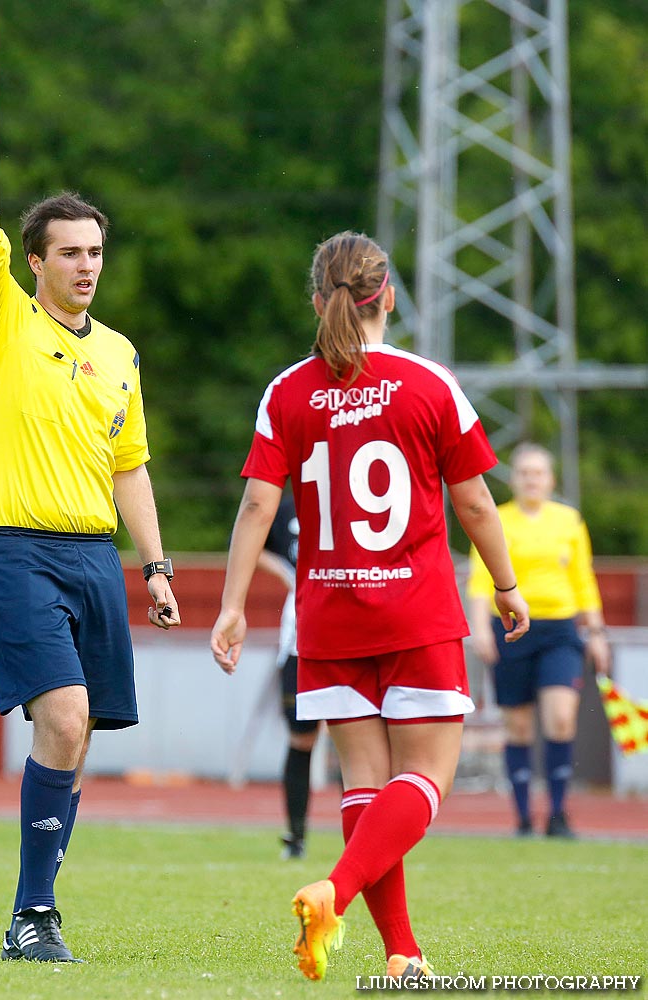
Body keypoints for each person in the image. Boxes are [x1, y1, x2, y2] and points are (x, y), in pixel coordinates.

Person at [210, 231, 529, 983]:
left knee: (363, 785)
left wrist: (231, 606)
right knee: (423, 782)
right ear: (387, 297)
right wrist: (507, 586)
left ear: (318, 303)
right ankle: (335, 893)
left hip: (327, 615)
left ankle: (402, 953)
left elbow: (258, 502)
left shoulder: (286, 390)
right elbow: (477, 503)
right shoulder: (427, 383)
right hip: (413, 612)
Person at [0, 56, 180, 963]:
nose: (85, 266)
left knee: (78, 732)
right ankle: (31, 914)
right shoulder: (5, 320)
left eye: (95, 252)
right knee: (64, 714)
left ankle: (34, 912)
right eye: (69, 253)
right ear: (36, 261)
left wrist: (156, 567)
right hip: (11, 547)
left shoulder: (121, 354)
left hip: (94, 558)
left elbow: (131, 470)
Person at [467, 442, 611, 839]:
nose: (532, 479)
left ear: (550, 479)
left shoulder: (568, 521)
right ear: (514, 479)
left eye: (539, 472)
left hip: (561, 629)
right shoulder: (499, 519)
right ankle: (524, 818)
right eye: (524, 472)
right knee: (518, 725)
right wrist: (480, 627)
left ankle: (559, 813)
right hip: (512, 627)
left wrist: (596, 633)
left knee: (561, 717)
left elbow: (584, 580)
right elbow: (480, 579)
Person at [256, 493, 322, 860]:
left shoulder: (351, 489)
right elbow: (254, 541)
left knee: (357, 738)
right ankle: (295, 836)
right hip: (299, 639)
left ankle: (362, 839)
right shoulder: (285, 506)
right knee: (301, 738)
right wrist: (286, 572)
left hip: (351, 634)